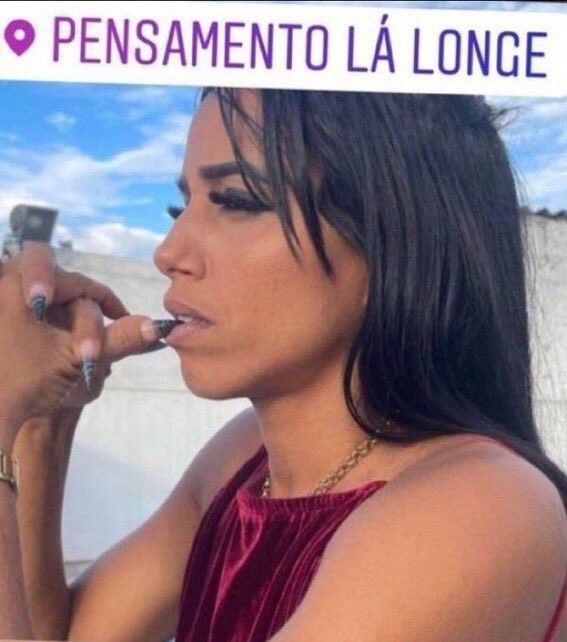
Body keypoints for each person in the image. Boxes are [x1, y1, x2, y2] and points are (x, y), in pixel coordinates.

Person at [0, 87, 565, 641]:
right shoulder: (245, 457)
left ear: (397, 242)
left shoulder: (477, 509)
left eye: (236, 201)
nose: (168, 252)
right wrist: (41, 419)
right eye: (182, 206)